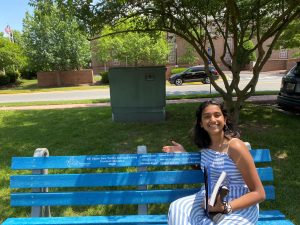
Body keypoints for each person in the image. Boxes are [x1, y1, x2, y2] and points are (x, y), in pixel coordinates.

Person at [162, 100, 265, 225]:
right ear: (201, 123)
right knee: (177, 207)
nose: (212, 119)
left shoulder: (235, 146)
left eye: (217, 115)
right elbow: (208, 170)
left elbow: (259, 193)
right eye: (207, 116)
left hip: (238, 204)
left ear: (225, 119)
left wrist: (225, 207)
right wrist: (184, 154)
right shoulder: (206, 147)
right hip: (208, 199)